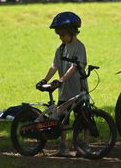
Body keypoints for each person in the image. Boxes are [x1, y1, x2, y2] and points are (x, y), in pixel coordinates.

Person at [36, 12, 88, 157]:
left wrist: (61, 79)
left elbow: (75, 67)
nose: (61, 37)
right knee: (63, 119)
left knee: (83, 118)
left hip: (78, 88)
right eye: (59, 35)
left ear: (72, 32)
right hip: (64, 91)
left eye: (63, 35)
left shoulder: (79, 47)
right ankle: (63, 145)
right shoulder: (60, 48)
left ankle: (84, 145)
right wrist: (45, 79)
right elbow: (54, 66)